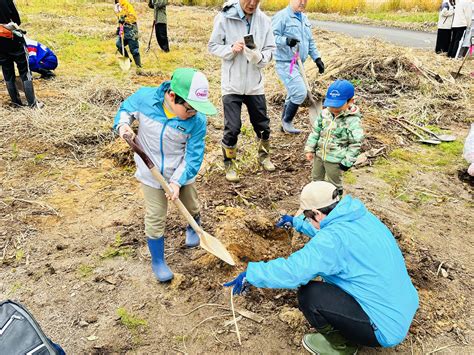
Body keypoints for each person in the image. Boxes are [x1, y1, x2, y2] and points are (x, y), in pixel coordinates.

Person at [224, 181, 419, 354]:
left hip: (384, 328)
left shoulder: (332, 241)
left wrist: (252, 273)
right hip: (403, 305)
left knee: (310, 295)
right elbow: (328, 231)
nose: (308, 220)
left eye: (308, 217)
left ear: (317, 213)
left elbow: (293, 272)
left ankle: (342, 347)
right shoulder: (360, 217)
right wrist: (296, 223)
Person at [113, 68, 217, 282]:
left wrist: (177, 181)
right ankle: (158, 260)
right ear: (172, 96)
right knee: (155, 216)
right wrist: (123, 125)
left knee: (191, 204)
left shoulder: (197, 122)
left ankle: (193, 225)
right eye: (189, 109)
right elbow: (126, 109)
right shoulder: (145, 99)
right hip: (150, 174)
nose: (193, 114)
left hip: (180, 172)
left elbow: (193, 156)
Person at [208, 0, 277, 183]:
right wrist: (231, 49)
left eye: (257, 0)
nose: (252, 3)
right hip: (232, 84)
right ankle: (230, 163)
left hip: (255, 84)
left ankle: (264, 156)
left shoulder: (264, 21)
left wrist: (259, 57)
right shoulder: (224, 18)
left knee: (262, 125)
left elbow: (271, 50)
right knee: (233, 127)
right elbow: (213, 46)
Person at [272, 0, 324, 134]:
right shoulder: (282, 16)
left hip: (298, 63)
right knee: (300, 92)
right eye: (299, 0)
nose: (302, 2)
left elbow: (310, 41)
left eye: (305, 0)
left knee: (293, 93)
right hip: (285, 63)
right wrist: (286, 41)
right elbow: (271, 37)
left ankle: (284, 125)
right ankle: (287, 121)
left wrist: (317, 58)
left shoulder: (304, 18)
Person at [304, 79, 363, 197]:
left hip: (336, 160)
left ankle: (335, 204)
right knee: (316, 178)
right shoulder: (324, 114)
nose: (334, 109)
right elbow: (316, 131)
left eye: (338, 106)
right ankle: (318, 199)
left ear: (350, 101)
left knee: (334, 184)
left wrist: (347, 161)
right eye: (331, 105)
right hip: (320, 155)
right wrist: (310, 148)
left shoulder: (352, 120)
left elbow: (355, 143)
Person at [0, 0, 42, 108]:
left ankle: (16, 103)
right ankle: (33, 104)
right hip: (12, 38)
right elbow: (17, 20)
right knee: (24, 71)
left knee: (7, 72)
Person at [114, 0, 141, 68]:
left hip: (131, 30)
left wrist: (125, 19)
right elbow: (120, 21)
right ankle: (127, 60)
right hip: (123, 31)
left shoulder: (127, 5)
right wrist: (119, 29)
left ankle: (139, 66)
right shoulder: (117, 7)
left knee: (134, 49)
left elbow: (133, 17)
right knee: (119, 44)